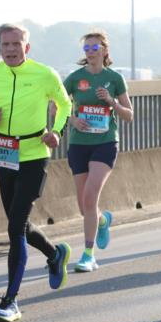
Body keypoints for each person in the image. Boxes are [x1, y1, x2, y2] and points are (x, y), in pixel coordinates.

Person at [0, 23, 73, 322]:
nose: (11, 50)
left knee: (15, 227)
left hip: (34, 154)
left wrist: (56, 131)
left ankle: (10, 301)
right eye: (5, 45)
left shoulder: (44, 74)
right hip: (4, 153)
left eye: (17, 44)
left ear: (27, 47)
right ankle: (54, 254)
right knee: (20, 224)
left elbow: (65, 104)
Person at [63, 31, 133, 272]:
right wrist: (72, 120)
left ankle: (88, 254)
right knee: (85, 207)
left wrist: (112, 102)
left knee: (91, 196)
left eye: (95, 48)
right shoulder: (74, 79)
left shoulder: (114, 79)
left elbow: (129, 114)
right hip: (79, 143)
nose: (91, 52)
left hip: (105, 142)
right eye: (87, 48)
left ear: (104, 50)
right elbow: (56, 106)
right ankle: (102, 221)